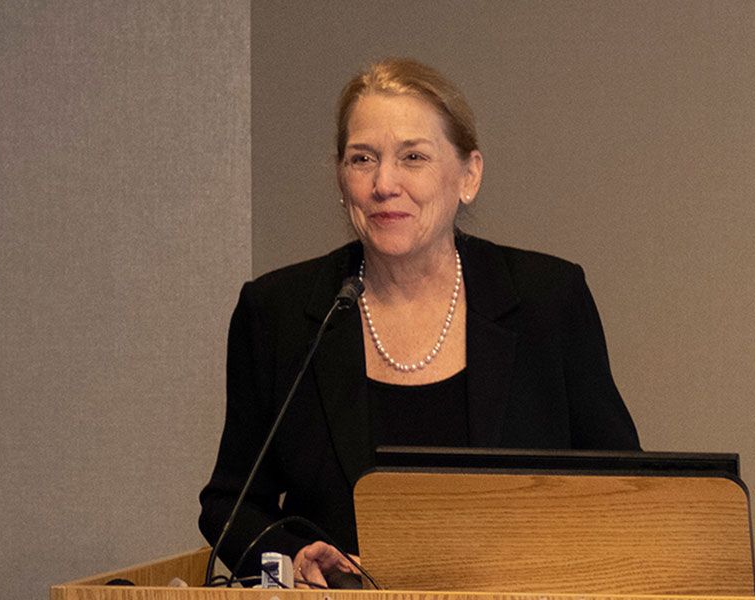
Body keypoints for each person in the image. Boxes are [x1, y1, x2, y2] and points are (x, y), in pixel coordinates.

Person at [198, 58, 639, 588]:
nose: (385, 183)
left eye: (413, 157)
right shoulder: (279, 312)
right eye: (363, 159)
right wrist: (292, 557)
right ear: (342, 178)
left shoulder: (548, 299)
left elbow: (625, 490)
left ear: (468, 175)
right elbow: (230, 504)